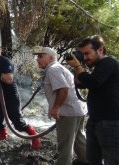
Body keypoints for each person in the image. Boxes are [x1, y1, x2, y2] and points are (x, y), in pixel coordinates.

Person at [67, 35, 119, 165]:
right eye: (82, 54)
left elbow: (94, 82)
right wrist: (76, 69)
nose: (85, 58)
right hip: (95, 121)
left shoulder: (109, 63)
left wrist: (79, 67)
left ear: (100, 50)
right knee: (92, 159)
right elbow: (82, 84)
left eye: (87, 53)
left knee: (112, 160)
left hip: (110, 122)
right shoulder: (99, 66)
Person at [33, 46, 88, 165]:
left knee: (65, 145)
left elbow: (63, 89)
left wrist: (56, 108)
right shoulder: (57, 68)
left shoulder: (53, 69)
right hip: (78, 109)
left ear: (51, 57)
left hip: (68, 112)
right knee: (79, 140)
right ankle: (87, 161)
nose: (37, 59)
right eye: (37, 56)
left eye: (40, 56)